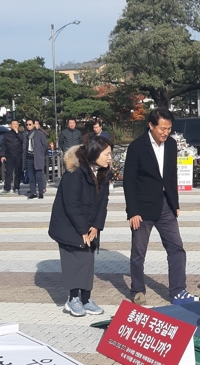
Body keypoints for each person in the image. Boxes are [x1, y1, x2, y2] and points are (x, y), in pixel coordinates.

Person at [123, 108, 200, 306]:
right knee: (138, 253)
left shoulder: (172, 144)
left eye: (169, 128)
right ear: (151, 126)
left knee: (176, 248)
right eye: (162, 128)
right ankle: (138, 290)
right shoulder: (136, 147)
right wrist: (133, 211)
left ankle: (178, 291)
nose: (166, 132)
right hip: (142, 208)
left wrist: (175, 204)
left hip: (166, 205)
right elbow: (129, 182)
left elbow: (170, 176)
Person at [49, 136, 113, 317]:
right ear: (95, 153)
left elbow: (103, 203)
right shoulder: (75, 172)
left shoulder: (103, 172)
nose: (110, 158)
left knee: (87, 260)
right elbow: (71, 204)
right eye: (107, 154)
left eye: (110, 154)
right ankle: (72, 299)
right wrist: (83, 229)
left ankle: (86, 299)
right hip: (68, 224)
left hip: (88, 223)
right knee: (73, 261)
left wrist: (96, 227)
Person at [23, 118, 47, 199]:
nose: (28, 126)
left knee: (39, 176)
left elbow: (45, 145)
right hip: (29, 157)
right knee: (31, 177)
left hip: (37, 157)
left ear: (33, 124)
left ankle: (40, 192)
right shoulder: (25, 134)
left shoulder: (39, 133)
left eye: (30, 124)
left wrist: (40, 153)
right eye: (27, 125)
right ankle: (33, 192)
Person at [0, 119, 24, 195]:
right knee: (8, 173)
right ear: (10, 125)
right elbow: (3, 146)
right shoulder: (7, 135)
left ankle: (16, 187)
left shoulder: (21, 134)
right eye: (14, 124)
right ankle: (7, 188)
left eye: (17, 124)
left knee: (18, 173)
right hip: (9, 156)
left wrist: (17, 133)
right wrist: (2, 155)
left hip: (18, 155)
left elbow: (23, 141)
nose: (15, 126)